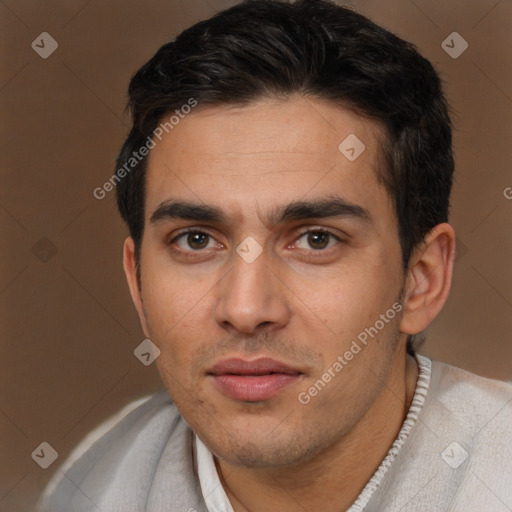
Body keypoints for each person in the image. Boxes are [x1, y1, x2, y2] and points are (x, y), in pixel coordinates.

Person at [38, 0, 512, 511]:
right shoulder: (94, 481)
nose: (246, 309)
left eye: (316, 239)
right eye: (196, 240)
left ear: (420, 279)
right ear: (138, 285)